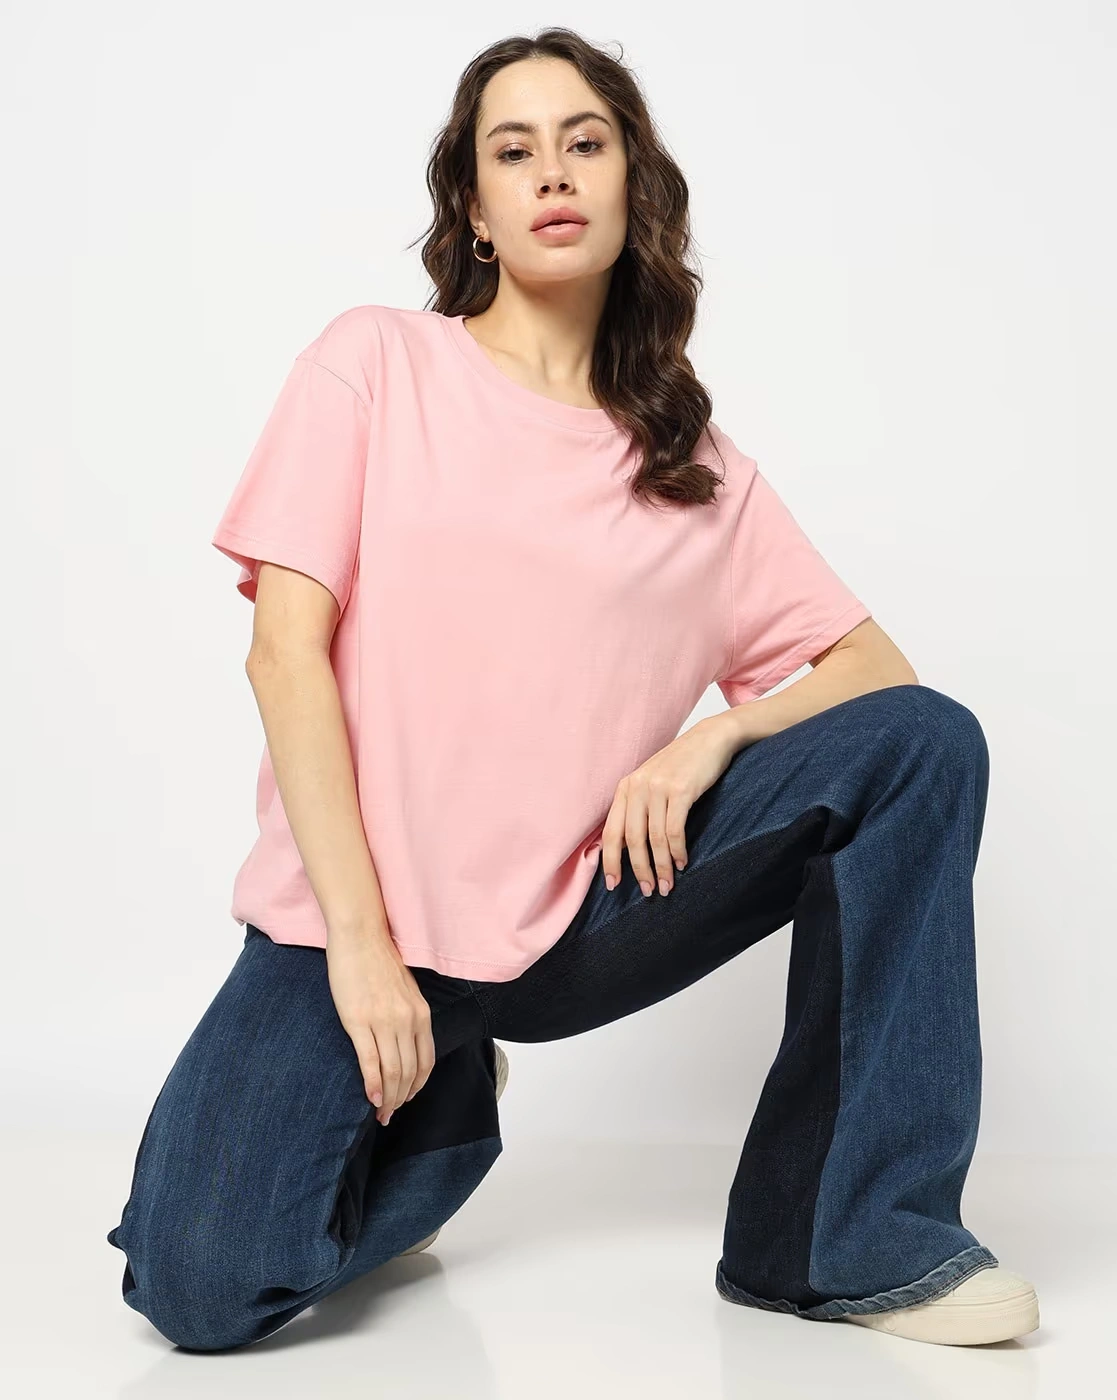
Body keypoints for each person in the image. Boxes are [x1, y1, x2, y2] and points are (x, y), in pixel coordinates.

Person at [105, 27, 1039, 1353]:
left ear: (629, 186)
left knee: (922, 747)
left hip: (585, 916)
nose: (553, 171)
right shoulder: (377, 364)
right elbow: (283, 654)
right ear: (476, 211)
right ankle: (437, 1121)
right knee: (197, 1288)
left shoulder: (693, 465)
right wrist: (364, 948)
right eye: (515, 149)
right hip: (353, 925)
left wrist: (716, 740)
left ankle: (843, 1237)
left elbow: (877, 678)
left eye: (585, 142)